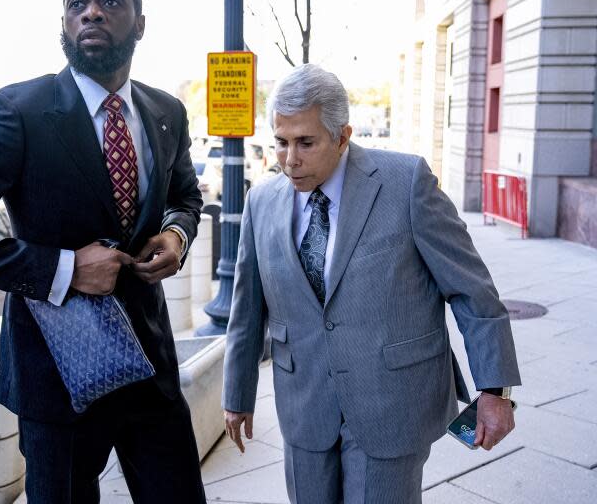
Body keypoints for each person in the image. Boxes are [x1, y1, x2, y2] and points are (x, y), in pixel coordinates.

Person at [0, 0, 205, 504]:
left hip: (151, 368)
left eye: (110, 1)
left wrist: (177, 234)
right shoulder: (20, 111)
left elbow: (185, 196)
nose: (91, 11)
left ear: (140, 24)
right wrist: (63, 268)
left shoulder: (166, 112)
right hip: (57, 377)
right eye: (76, 3)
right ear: (64, 23)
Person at [222, 64, 521, 504]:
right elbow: (246, 309)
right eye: (281, 143)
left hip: (391, 404)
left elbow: (471, 290)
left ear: (343, 136)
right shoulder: (261, 201)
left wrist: (494, 390)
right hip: (304, 405)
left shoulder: (407, 183)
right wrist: (237, 393)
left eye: (305, 142)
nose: (290, 160)